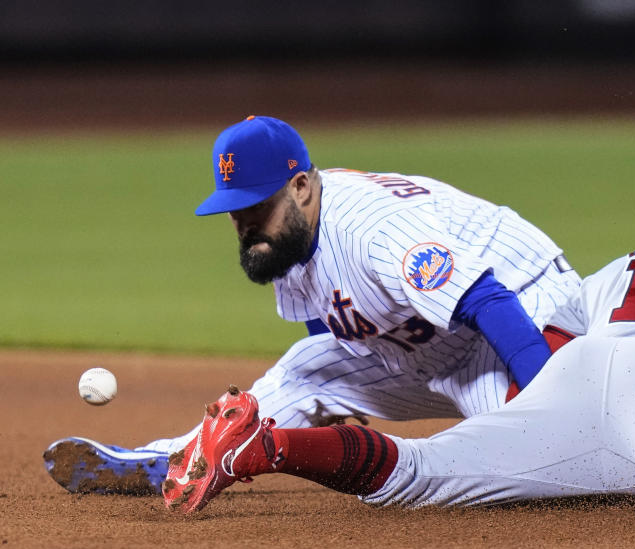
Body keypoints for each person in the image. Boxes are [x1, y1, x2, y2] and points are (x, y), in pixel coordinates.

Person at [161, 159, 635, 519]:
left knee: (424, 471)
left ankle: (270, 445)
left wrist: (534, 416)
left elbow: (557, 340)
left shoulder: (628, 263)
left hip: (581, 365)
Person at [43, 115, 581, 496]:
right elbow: (325, 320)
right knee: (307, 369)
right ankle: (183, 459)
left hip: (519, 323)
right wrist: (339, 395)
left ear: (301, 186)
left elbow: (488, 301)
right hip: (433, 348)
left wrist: (550, 404)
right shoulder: (291, 236)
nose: (246, 224)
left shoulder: (373, 230)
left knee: (545, 468)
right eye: (235, 211)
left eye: (257, 207)